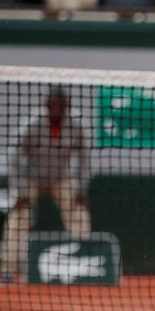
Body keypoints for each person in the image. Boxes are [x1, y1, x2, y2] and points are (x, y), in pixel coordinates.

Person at [2, 88, 92, 283]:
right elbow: (14, 156)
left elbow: (84, 160)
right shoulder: (32, 124)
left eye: (62, 105)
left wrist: (80, 190)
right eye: (54, 105)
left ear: (67, 106)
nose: (58, 109)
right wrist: (20, 190)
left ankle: (84, 263)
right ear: (47, 106)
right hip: (31, 176)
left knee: (79, 213)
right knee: (19, 216)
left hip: (61, 177)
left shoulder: (77, 126)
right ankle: (8, 269)